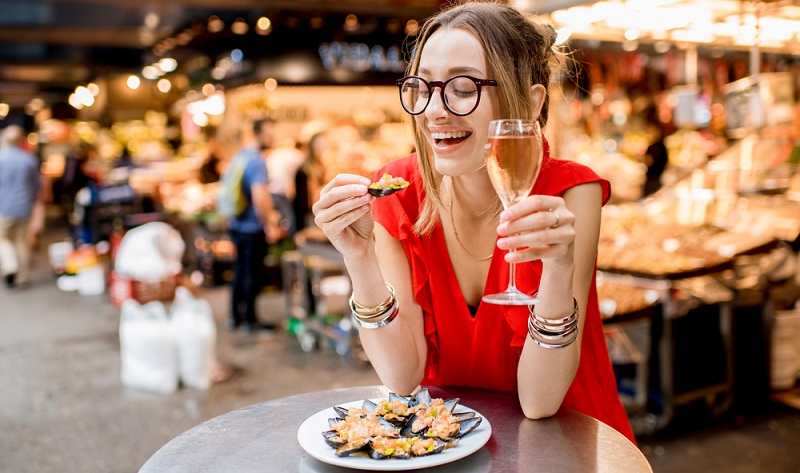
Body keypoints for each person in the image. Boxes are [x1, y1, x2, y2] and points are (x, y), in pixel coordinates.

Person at [313, 1, 635, 443]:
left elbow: (540, 403)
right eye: (422, 88)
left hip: (564, 439)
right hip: (449, 442)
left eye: (462, 88)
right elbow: (402, 376)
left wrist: (558, 271)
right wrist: (359, 257)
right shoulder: (398, 192)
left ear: (530, 101)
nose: (433, 111)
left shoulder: (569, 193)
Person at [226, 118, 278, 333]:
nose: (272, 137)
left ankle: (235, 317)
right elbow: (260, 197)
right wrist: (269, 225)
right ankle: (250, 321)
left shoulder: (240, 156)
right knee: (252, 274)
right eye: (269, 132)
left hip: (236, 224)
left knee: (239, 271)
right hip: (251, 228)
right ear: (258, 134)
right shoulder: (257, 160)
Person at [0, 125, 42, 289]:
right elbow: (36, 185)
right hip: (24, 206)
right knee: (21, 241)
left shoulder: (1, 159)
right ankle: (23, 276)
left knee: (3, 239)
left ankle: (10, 266)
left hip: (4, 206)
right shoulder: (29, 159)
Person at [293, 132, 328, 234]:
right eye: (320, 145)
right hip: (309, 215)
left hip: (316, 212)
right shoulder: (306, 170)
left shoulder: (321, 166)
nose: (323, 148)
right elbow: (306, 199)